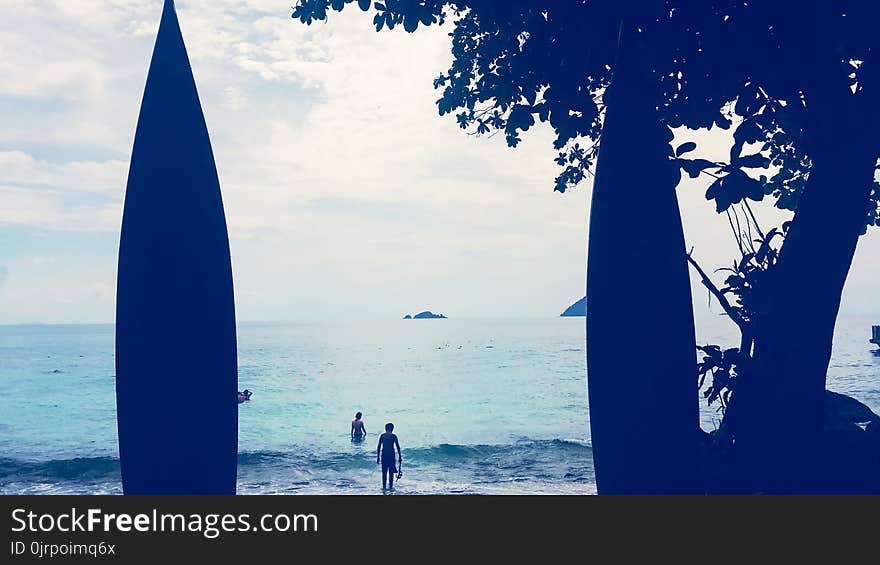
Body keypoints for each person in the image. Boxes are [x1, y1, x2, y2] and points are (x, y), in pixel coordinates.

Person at [376, 422, 402, 490]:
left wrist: (378, 457)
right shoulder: (394, 436)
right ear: (392, 429)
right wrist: (400, 457)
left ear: (385, 428)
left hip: (384, 455)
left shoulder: (382, 436)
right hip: (391, 456)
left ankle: (384, 488)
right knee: (391, 473)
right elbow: (398, 447)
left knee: (384, 473)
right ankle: (390, 487)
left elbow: (378, 447)